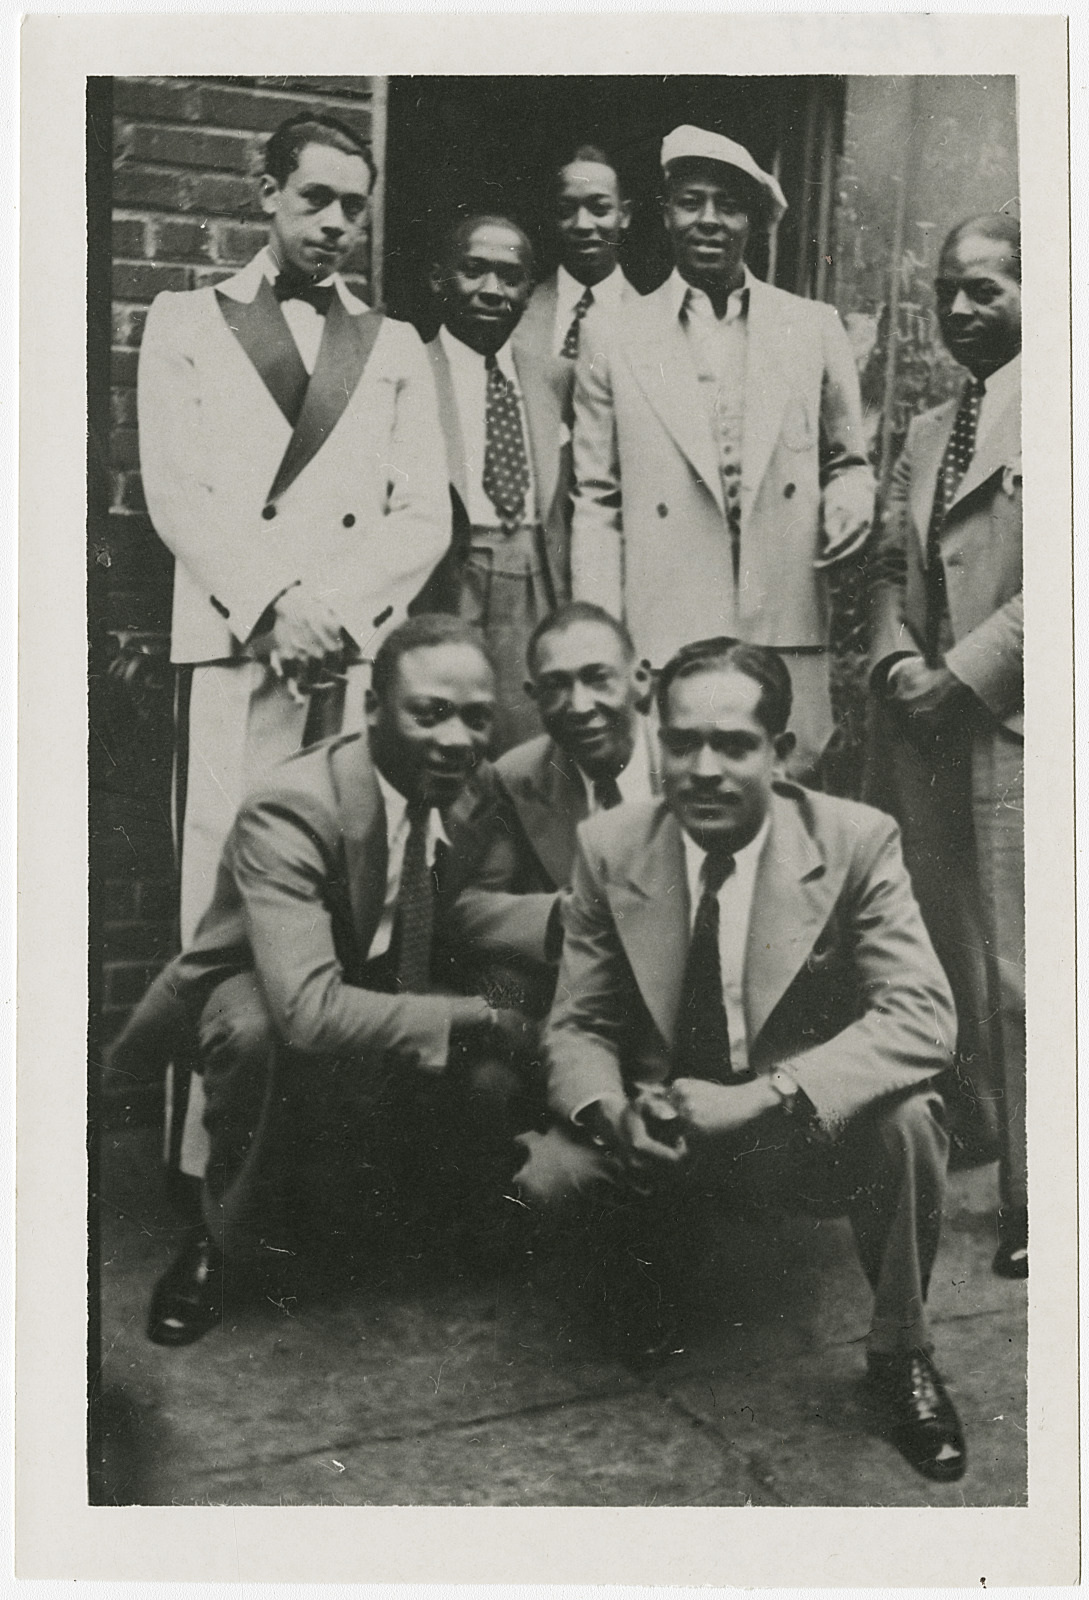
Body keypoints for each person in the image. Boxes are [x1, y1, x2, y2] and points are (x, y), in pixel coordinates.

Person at [517, 637, 966, 1483]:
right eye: (681, 743)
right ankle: (655, 1263)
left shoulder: (854, 839)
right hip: (668, 1128)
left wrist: (768, 1096)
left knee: (911, 1121)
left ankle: (900, 1353)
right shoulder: (611, 843)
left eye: (733, 744)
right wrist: (613, 1113)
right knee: (547, 1174)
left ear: (780, 752)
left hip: (796, 1129)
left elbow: (923, 1016)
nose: (704, 769)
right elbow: (576, 1025)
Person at [137, 112, 451, 1178]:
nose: (337, 224)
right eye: (315, 198)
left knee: (347, 898)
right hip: (239, 653)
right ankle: (206, 1168)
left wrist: (339, 618)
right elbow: (176, 489)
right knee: (220, 897)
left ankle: (325, 1165)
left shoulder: (394, 343)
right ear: (267, 192)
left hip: (347, 659)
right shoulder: (185, 321)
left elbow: (425, 516)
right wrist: (275, 605)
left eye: (354, 206)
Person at [108, 616, 550, 1346]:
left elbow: (482, 930)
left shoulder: (475, 795)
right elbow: (307, 1011)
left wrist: (505, 1005)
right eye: (429, 713)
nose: (455, 740)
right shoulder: (294, 804)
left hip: (382, 973)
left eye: (475, 718)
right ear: (373, 709)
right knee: (255, 1032)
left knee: (493, 1064)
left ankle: (428, 1215)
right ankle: (218, 1244)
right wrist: (481, 1015)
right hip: (263, 982)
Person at [570, 124, 875, 779]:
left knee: (785, 814)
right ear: (667, 213)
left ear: (757, 222)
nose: (707, 220)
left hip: (783, 625)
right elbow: (594, 499)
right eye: (690, 201)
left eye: (728, 205)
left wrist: (849, 499)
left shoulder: (812, 327)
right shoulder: (614, 334)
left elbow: (849, 460)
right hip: (665, 629)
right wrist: (601, 642)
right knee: (677, 805)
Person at [867, 213, 1024, 1279]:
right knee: (945, 948)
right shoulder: (929, 428)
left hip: (1012, 722)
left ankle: (1040, 1198)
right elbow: (887, 564)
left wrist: (961, 673)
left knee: (1023, 968)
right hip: (923, 728)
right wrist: (894, 664)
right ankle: (974, 1127)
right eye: (949, 291)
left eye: (987, 289)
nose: (962, 310)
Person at [456, 601, 660, 1017]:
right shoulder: (515, 778)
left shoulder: (693, 766)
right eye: (556, 686)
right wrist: (560, 915)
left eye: (598, 679)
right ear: (533, 696)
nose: (580, 706)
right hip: (573, 1000)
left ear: (640, 679)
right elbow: (469, 907)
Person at [424, 215, 571, 751]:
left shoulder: (556, 378)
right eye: (473, 271)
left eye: (510, 277)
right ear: (439, 278)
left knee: (528, 745)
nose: (493, 290)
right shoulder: (407, 370)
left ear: (531, 290)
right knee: (444, 735)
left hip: (534, 578)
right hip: (447, 575)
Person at [513, 144, 636, 365]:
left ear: (624, 215)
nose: (582, 225)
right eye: (566, 210)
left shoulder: (658, 316)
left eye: (599, 209)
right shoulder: (517, 309)